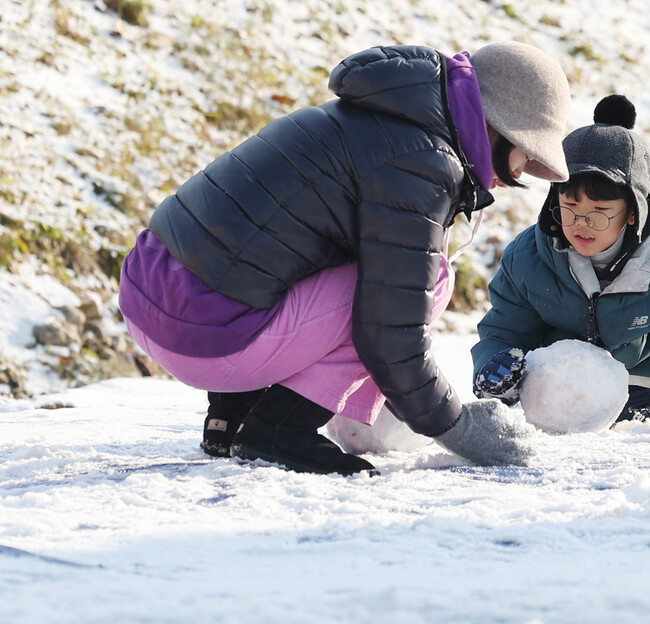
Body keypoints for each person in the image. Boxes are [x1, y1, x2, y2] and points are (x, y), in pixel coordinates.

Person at [119, 42, 572, 475]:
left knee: (334, 259)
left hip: (149, 295)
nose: (514, 175)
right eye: (524, 155)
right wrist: (457, 427)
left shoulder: (378, 121)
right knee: (431, 280)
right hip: (203, 335)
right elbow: (389, 331)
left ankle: (233, 415)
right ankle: (279, 429)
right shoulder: (421, 162)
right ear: (501, 126)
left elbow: (270, 251)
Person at [472, 94, 650, 424]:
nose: (581, 225)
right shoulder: (529, 258)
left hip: (646, 383)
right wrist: (497, 366)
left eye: (599, 214)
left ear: (633, 213)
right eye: (569, 208)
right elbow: (505, 329)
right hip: (561, 390)